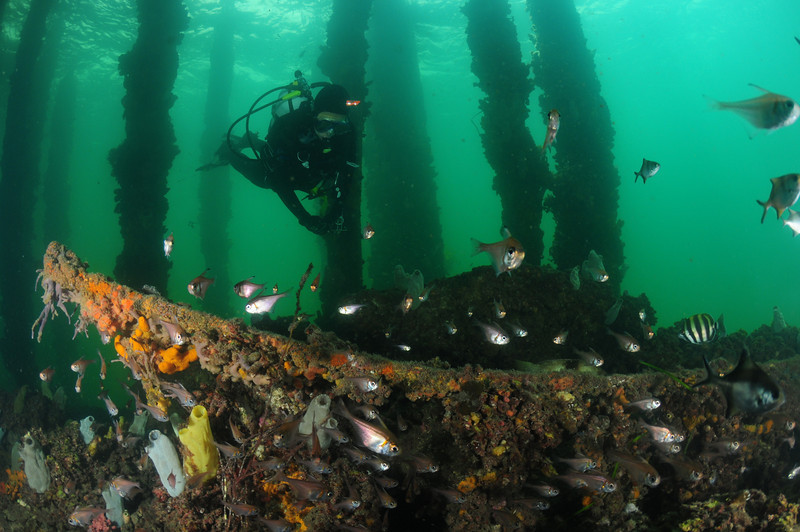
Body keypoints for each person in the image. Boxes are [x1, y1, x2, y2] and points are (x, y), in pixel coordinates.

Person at [209, 82, 357, 235]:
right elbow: (278, 182)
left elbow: (348, 172)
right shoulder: (293, 129)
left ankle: (250, 140)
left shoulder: (347, 134)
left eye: (338, 126)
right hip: (281, 166)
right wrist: (305, 218)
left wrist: (336, 210)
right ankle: (228, 152)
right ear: (314, 117)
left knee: (312, 178)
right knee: (264, 179)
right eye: (324, 125)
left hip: (304, 167)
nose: (330, 133)